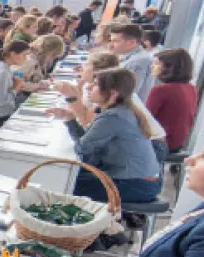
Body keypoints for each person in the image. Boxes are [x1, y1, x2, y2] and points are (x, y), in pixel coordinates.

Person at [67, 68, 161, 203]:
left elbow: (83, 148)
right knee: (72, 173)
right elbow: (88, 145)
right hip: (142, 181)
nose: (89, 87)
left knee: (64, 179)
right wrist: (69, 119)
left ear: (112, 94)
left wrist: (70, 121)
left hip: (135, 185)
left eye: (95, 85)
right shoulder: (123, 110)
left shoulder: (114, 116)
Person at [145, 47, 197, 154]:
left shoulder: (161, 90)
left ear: (168, 67)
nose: (152, 67)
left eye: (156, 64)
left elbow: (144, 119)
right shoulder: (191, 88)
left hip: (160, 144)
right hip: (177, 143)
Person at [0, 40, 31, 138]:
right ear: (13, 54)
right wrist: (16, 88)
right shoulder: (2, 72)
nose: (26, 59)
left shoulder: (6, 69)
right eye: (24, 55)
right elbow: (1, 101)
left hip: (0, 113)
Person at [111, 23, 154, 102]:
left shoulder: (137, 62)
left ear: (132, 42)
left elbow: (128, 93)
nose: (111, 45)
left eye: (115, 41)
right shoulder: (131, 57)